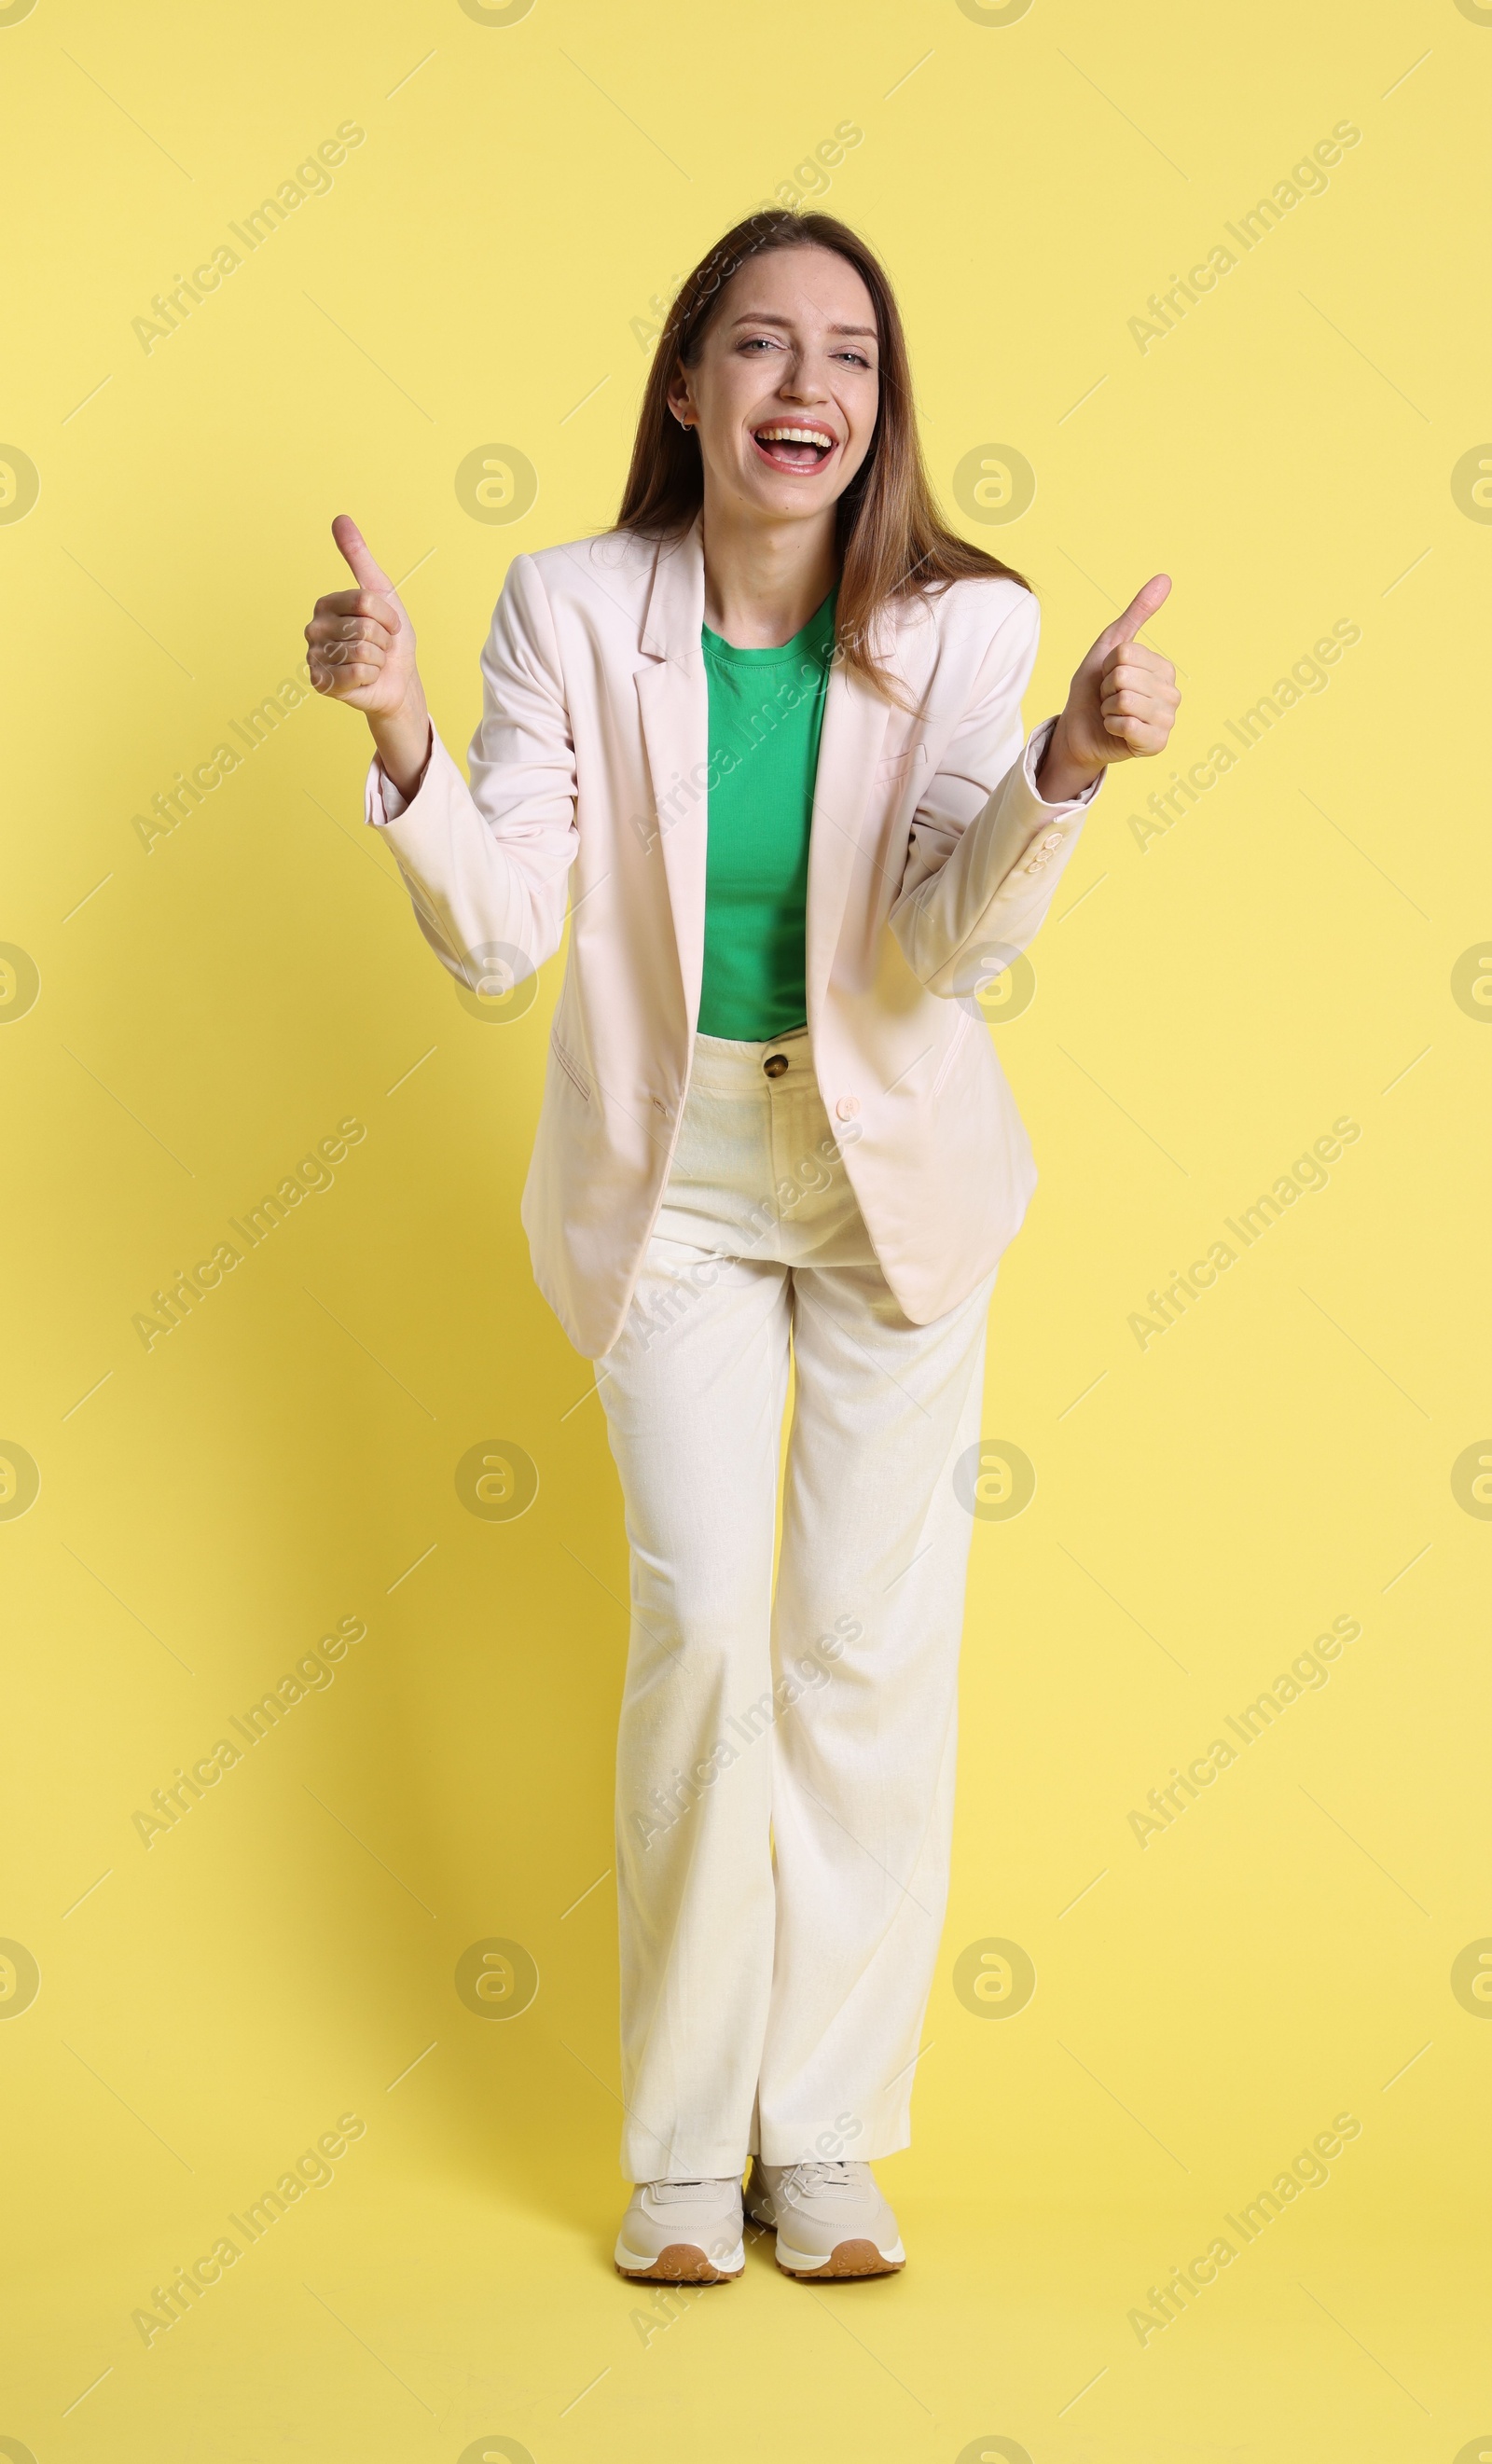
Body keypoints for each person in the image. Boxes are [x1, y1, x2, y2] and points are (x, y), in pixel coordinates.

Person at [305, 208, 1179, 2287]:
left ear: (881, 413)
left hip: (892, 1180)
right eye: (764, 349)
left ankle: (829, 2135)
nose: (808, 392)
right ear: (685, 381)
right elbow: (507, 931)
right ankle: (687, 2147)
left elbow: (940, 948)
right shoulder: (566, 605)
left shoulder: (965, 625)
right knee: (705, 1638)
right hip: (672, 1172)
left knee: (862, 1655)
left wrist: (1063, 764)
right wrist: (405, 733)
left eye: (849, 360)